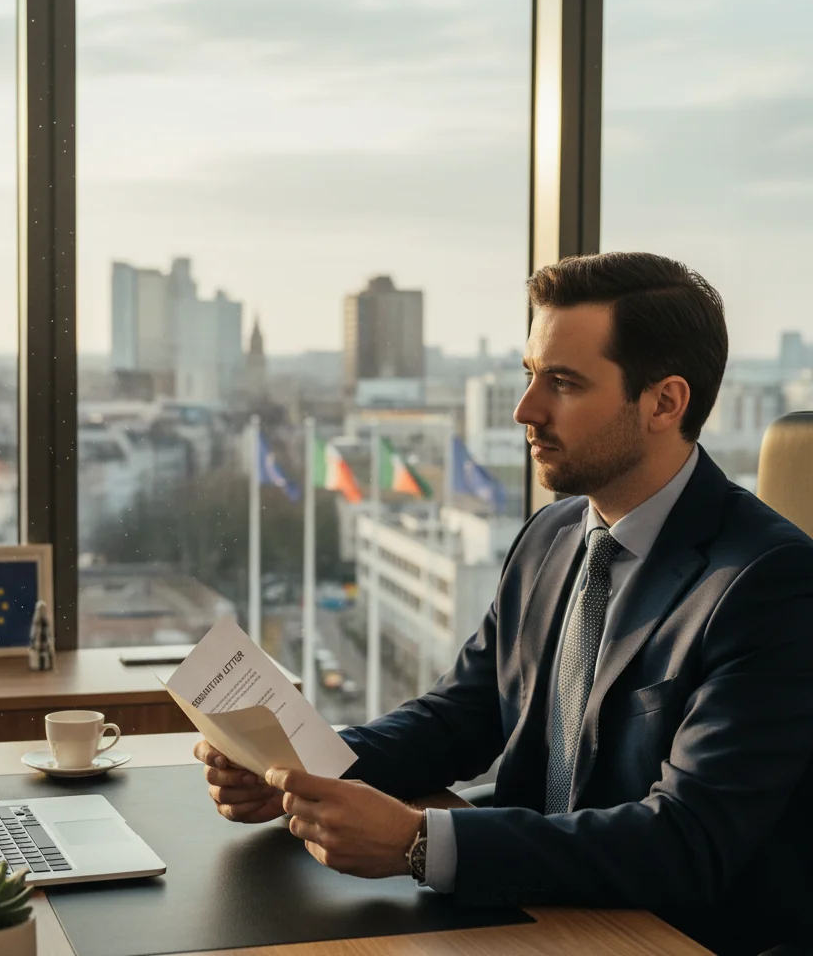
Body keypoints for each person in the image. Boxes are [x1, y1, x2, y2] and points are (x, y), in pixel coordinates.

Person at [196, 252, 813, 956]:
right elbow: (465, 712)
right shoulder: (552, 534)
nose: (527, 410)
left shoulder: (770, 582)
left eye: (564, 383)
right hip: (529, 917)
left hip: (660, 938)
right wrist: (301, 772)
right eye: (529, 375)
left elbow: (687, 840)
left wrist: (419, 844)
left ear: (665, 403)